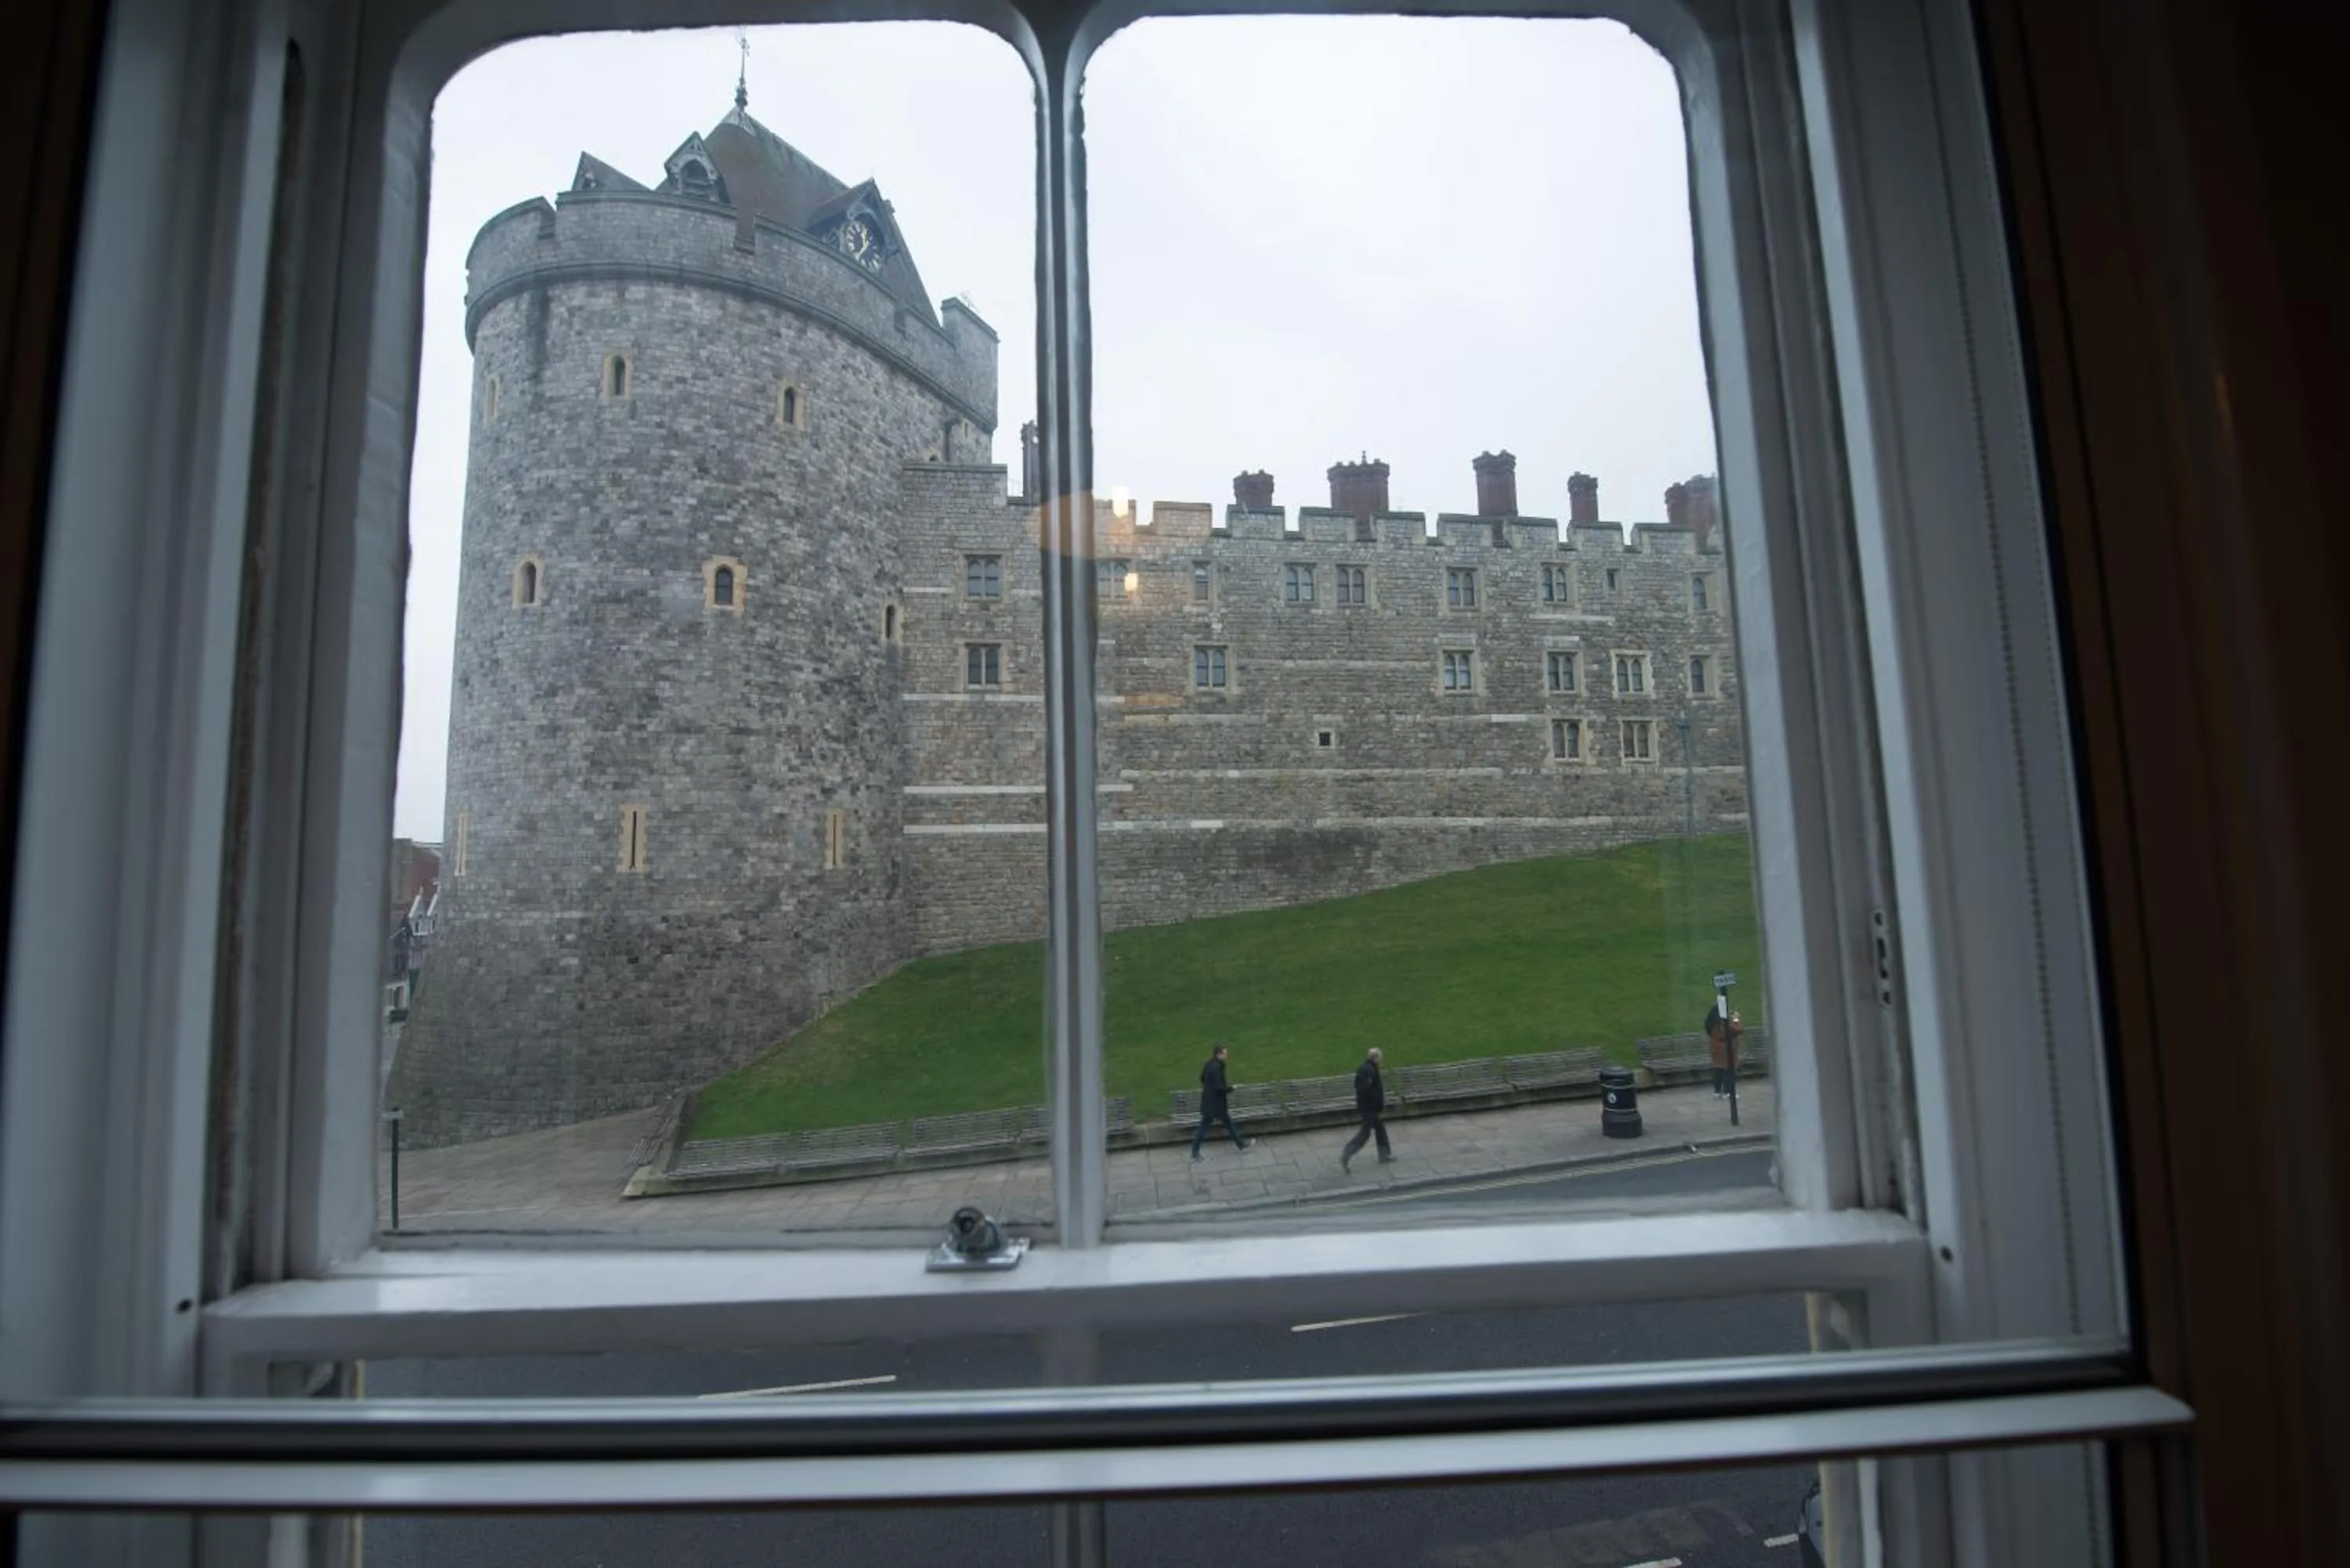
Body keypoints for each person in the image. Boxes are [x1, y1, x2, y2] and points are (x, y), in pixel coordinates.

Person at [1190, 1043, 1252, 1162]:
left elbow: (1202, 1078)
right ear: (1219, 1054)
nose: (1227, 1055)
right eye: (1225, 1053)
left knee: (1226, 1123)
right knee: (1204, 1127)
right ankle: (1195, 1153)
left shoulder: (1209, 1064)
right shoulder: (1217, 1068)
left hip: (1210, 1101)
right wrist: (1231, 1088)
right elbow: (1219, 1087)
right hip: (1215, 1104)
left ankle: (1241, 1144)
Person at [1340, 1047, 1394, 1170]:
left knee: (1380, 1129)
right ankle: (1347, 1153)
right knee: (1365, 1133)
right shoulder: (1370, 1070)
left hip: (1367, 1107)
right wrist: (1376, 1103)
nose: (1381, 1061)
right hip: (1369, 1108)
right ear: (1375, 1058)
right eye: (1380, 1058)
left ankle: (1384, 1155)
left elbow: (1357, 1085)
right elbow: (1368, 1090)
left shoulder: (1365, 1068)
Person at [1705, 1003, 1744, 1097]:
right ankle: (1728, 1092)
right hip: (1726, 1051)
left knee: (1719, 1070)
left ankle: (1718, 1091)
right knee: (1728, 1071)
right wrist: (1736, 1019)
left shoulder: (1711, 1023)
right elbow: (1738, 1030)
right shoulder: (1724, 1023)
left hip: (1716, 1050)